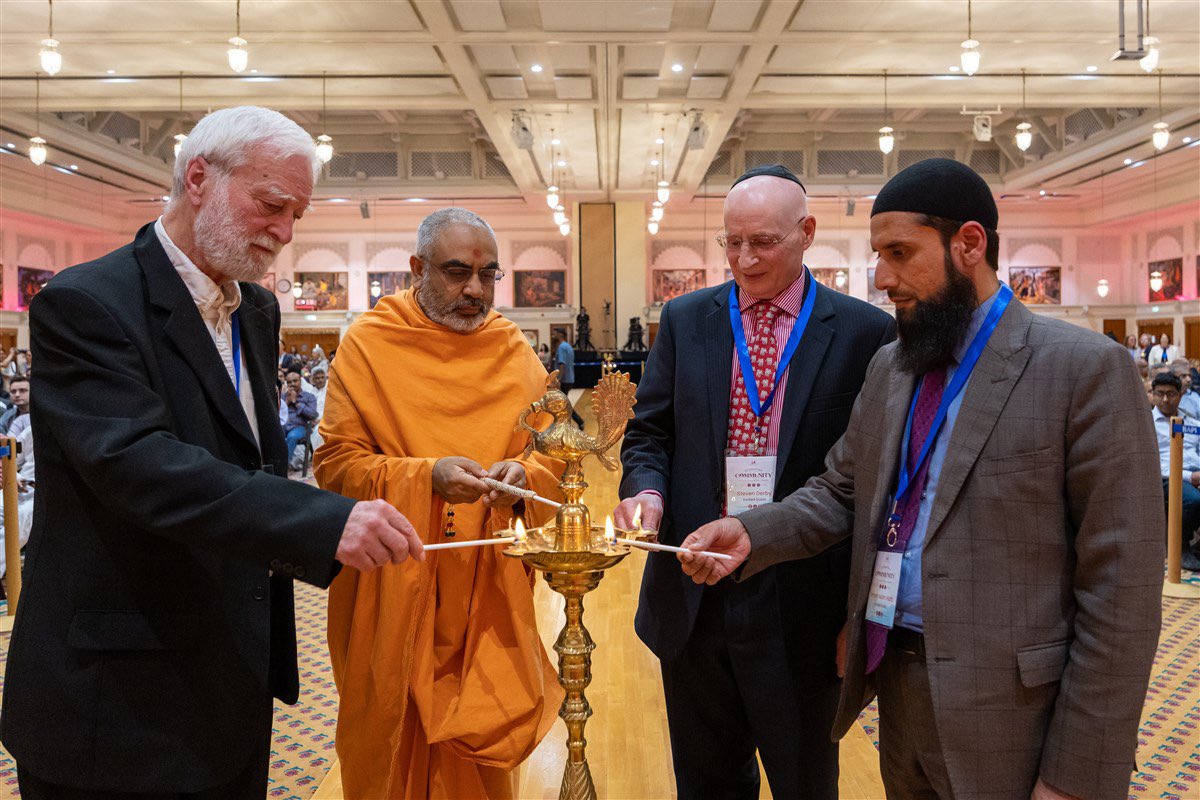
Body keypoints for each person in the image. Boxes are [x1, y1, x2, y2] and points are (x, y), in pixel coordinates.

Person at [678, 159, 1163, 800]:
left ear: (969, 244)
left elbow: (1121, 594)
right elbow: (840, 490)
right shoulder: (893, 367)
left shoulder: (1083, 371)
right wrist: (749, 531)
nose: (882, 278)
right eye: (879, 254)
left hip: (1015, 715)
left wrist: (1076, 775)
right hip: (899, 692)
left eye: (900, 253)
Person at [1, 105, 424, 799]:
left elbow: (245, 465)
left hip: (230, 683)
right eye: (271, 205)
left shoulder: (254, 311)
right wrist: (323, 520)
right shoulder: (87, 304)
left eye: (298, 216)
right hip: (117, 701)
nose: (285, 233)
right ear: (198, 177)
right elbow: (139, 467)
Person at [614, 163, 895, 798]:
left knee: (804, 782)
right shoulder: (687, 320)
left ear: (807, 233)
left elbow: (868, 483)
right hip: (692, 594)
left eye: (763, 242)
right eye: (731, 242)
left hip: (801, 604)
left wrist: (863, 611)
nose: (744, 259)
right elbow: (649, 432)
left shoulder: (863, 332)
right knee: (708, 783)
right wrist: (647, 492)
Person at [314, 207, 564, 799]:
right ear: (416, 268)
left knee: (479, 757)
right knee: (390, 741)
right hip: (391, 579)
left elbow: (555, 458)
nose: (474, 291)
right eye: (456, 273)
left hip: (487, 587)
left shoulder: (512, 350)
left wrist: (522, 474)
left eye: (488, 275)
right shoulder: (370, 346)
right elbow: (335, 467)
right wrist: (426, 477)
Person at [1150, 371, 1200, 571]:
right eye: (1160, 393)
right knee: (1194, 500)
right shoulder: (1147, 424)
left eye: (1171, 394)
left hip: (1195, 473)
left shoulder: (1192, 423)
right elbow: (1154, 463)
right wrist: (1190, 477)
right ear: (1152, 394)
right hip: (1166, 477)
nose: (1165, 399)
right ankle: (1180, 548)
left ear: (1180, 396)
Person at [283, 369, 318, 469]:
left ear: (300, 381)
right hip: (284, 426)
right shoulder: (283, 396)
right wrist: (287, 402)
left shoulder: (309, 397)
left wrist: (295, 403)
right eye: (289, 382)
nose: (292, 384)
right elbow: (277, 413)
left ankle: (283, 467)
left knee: (292, 436)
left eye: (295, 381)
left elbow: (312, 414)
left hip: (300, 427)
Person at [552, 333, 585, 427]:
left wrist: (558, 379)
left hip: (564, 380)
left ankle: (576, 422)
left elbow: (562, 364)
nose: (554, 335)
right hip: (570, 378)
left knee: (562, 404)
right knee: (562, 403)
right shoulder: (568, 347)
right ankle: (568, 424)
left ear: (560, 335)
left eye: (556, 332)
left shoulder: (561, 347)